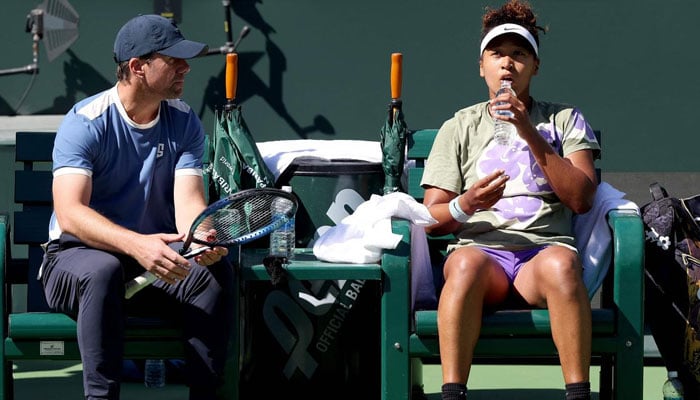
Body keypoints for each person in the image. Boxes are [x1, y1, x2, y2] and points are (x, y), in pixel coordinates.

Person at [40, 14, 234, 400]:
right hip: (75, 260)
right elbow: (70, 214)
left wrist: (201, 236)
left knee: (214, 274)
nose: (186, 67)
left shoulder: (184, 121)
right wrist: (136, 244)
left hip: (151, 259)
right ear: (137, 67)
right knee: (103, 269)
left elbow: (189, 203)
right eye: (173, 59)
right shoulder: (85, 122)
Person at [420, 1, 600, 400]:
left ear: (535, 66)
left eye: (519, 55)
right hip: (483, 255)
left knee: (562, 264)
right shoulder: (460, 126)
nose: (507, 64)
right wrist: (466, 203)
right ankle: (453, 393)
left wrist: (528, 129)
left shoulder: (564, 119)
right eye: (497, 54)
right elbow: (430, 219)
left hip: (542, 254)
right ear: (481, 66)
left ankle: (578, 394)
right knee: (462, 263)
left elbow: (581, 198)